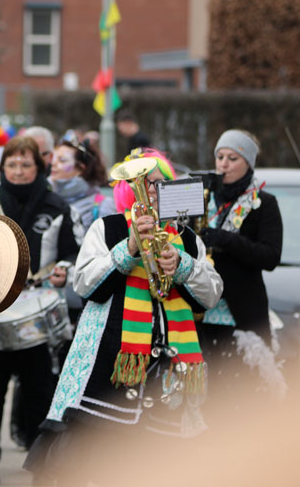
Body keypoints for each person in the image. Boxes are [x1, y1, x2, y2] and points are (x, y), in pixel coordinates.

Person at [26, 148, 222, 486]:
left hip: (166, 370)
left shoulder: (188, 239)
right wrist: (129, 248)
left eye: (160, 183)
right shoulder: (107, 228)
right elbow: (84, 284)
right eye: (144, 184)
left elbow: (211, 294)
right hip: (109, 366)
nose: (153, 191)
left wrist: (182, 265)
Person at [0, 136, 81, 485]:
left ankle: (42, 468)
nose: (18, 171)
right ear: (2, 167)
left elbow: (74, 252)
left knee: (40, 395)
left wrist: (64, 269)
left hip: (37, 313)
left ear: (39, 167)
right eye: (12, 165)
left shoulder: (57, 206)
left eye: (25, 164)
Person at [199, 130, 286, 410]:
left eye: (232, 158)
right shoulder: (202, 197)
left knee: (242, 400)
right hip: (201, 313)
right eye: (219, 156)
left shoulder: (263, 203)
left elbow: (270, 256)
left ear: (248, 163)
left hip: (242, 315)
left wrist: (227, 239)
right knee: (205, 397)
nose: (223, 164)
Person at [50, 138, 116, 232]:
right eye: (53, 158)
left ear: (80, 169)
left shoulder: (103, 206)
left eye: (62, 160)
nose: (53, 163)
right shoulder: (45, 196)